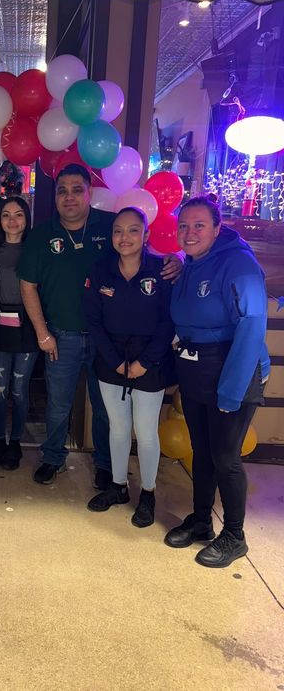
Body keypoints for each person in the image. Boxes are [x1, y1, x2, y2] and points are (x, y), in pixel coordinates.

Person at [18, 164, 181, 486]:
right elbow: (28, 285)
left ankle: (107, 466)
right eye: (62, 190)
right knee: (58, 405)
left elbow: (139, 250)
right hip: (60, 337)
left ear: (89, 193)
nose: (69, 197)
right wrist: (42, 334)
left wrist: (174, 260)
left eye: (77, 189)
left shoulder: (111, 226)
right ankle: (53, 457)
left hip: (108, 340)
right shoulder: (41, 235)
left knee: (107, 410)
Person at [165, 195, 269, 568]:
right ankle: (200, 521)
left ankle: (235, 536)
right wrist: (178, 261)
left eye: (198, 225)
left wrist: (231, 389)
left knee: (226, 457)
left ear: (217, 227)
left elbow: (253, 325)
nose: (189, 233)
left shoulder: (239, 264)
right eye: (183, 226)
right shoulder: (189, 263)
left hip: (232, 369)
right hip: (195, 370)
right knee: (202, 451)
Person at [83, 207, 174, 527]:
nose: (125, 237)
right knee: (118, 428)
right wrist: (117, 362)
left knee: (146, 431)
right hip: (111, 361)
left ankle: (147, 493)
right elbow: (93, 321)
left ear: (146, 236)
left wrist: (143, 363)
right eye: (118, 231)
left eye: (133, 230)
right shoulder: (100, 270)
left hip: (151, 361)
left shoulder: (161, 271)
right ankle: (118, 487)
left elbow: (167, 322)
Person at [0, 197, 39, 470]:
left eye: (19, 214)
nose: (13, 220)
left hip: (29, 324)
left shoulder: (35, 249)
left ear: (27, 218)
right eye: (6, 214)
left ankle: (15, 440)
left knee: (18, 389)